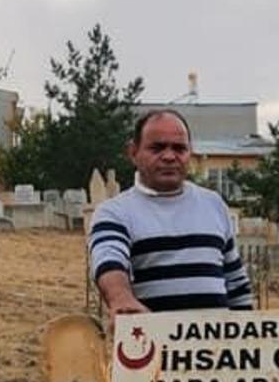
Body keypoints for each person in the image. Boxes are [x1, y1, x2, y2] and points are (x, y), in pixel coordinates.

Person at [89, 110, 253, 315]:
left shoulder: (214, 204)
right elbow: (109, 260)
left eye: (179, 148)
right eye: (157, 148)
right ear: (133, 152)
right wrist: (121, 299)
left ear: (190, 152)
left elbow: (236, 284)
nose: (169, 156)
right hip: (152, 335)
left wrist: (248, 328)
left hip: (215, 336)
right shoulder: (115, 212)